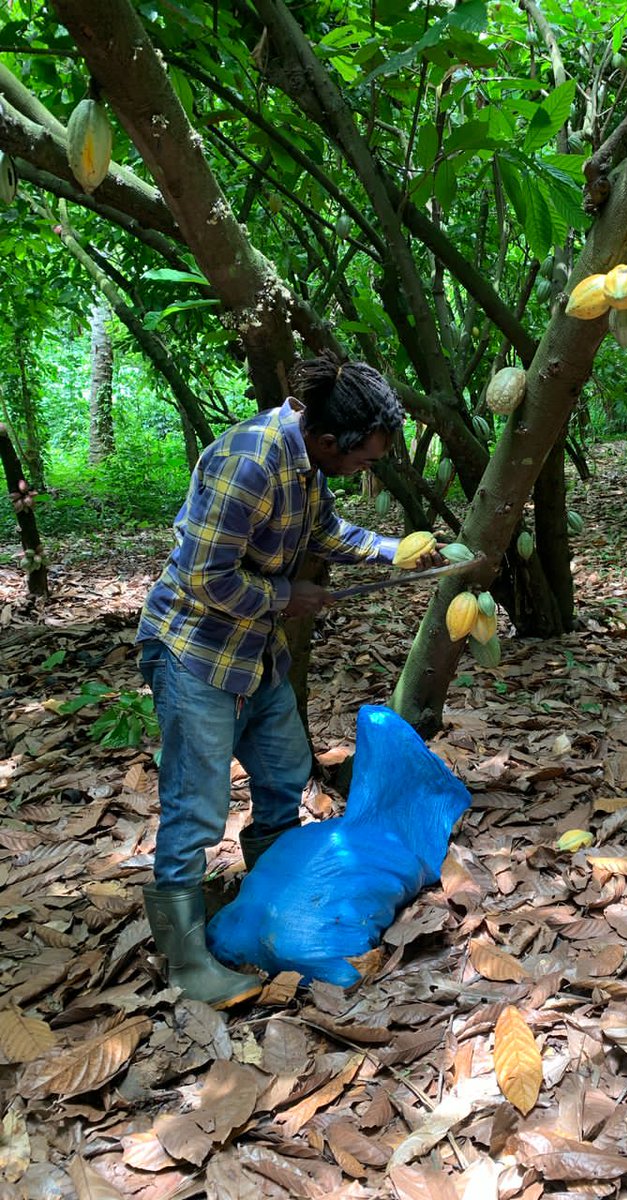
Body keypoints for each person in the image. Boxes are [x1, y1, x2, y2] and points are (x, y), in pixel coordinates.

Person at [136, 355, 415, 1009]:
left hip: (254, 655)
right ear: (327, 440)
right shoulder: (251, 462)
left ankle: (267, 901)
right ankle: (186, 962)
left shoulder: (306, 462)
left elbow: (322, 530)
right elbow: (207, 577)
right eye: (365, 459)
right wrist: (287, 594)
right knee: (197, 804)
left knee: (285, 773)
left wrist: (391, 550)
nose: (365, 469)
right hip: (198, 654)